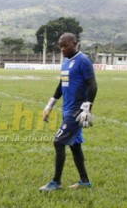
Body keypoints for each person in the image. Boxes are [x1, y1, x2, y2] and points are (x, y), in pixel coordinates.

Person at [40, 33, 98, 191]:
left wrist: (87, 107)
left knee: (58, 142)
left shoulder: (83, 60)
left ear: (75, 43)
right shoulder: (65, 62)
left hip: (76, 111)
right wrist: (50, 104)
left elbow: (92, 85)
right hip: (66, 109)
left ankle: (56, 182)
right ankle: (85, 181)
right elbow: (62, 84)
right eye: (60, 46)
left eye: (66, 45)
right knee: (75, 146)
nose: (62, 49)